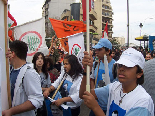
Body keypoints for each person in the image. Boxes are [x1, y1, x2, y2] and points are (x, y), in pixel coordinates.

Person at [79, 48, 154, 116]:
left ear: (139, 73)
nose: (121, 69)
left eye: (128, 66)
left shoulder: (142, 102)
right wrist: (86, 70)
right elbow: (83, 94)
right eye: (120, 65)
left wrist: (96, 108)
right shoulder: (114, 87)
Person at [2, 40, 44, 116]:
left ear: (13, 54)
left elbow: (37, 100)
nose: (7, 54)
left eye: (9, 51)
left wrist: (11, 111)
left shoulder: (29, 73)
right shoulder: (10, 71)